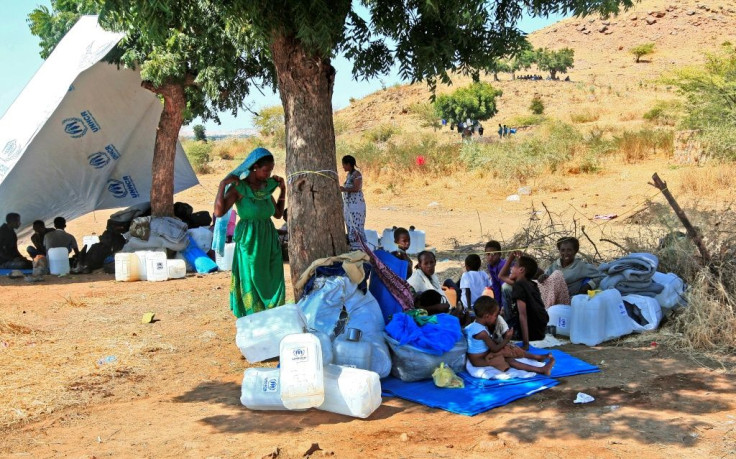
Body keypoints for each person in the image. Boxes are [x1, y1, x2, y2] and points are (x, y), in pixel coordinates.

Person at [213, 147, 286, 318]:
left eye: (271, 170)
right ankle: (252, 313)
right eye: (266, 170)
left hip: (269, 239)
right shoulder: (239, 188)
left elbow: (277, 214)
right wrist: (222, 185)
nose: (269, 174)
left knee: (272, 274)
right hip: (249, 240)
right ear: (255, 167)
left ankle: (272, 311)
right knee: (252, 275)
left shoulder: (267, 188)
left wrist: (282, 190)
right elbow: (219, 212)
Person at [465, 296, 555, 378]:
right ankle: (541, 369)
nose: (496, 318)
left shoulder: (471, 326)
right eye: (495, 316)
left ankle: (537, 358)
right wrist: (507, 339)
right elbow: (494, 349)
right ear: (487, 316)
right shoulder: (482, 332)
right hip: (482, 361)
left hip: (483, 356)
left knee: (509, 348)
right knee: (510, 359)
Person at [499, 252, 549, 350]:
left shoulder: (518, 285)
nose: (511, 269)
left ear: (521, 270)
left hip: (531, 333)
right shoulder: (530, 284)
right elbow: (501, 276)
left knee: (505, 288)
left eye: (514, 266)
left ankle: (511, 328)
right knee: (506, 286)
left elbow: (523, 315)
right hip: (540, 332)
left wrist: (526, 343)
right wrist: (511, 257)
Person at [538, 237, 603, 297]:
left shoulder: (581, 266)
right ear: (559, 251)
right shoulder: (555, 265)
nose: (565, 253)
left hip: (569, 298)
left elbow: (600, 276)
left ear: (575, 251)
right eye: (562, 250)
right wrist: (544, 277)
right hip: (552, 295)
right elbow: (547, 277)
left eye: (569, 250)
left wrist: (588, 285)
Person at [339, 155, 366, 250]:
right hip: (349, 205)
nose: (343, 167)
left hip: (356, 205)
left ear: (349, 164)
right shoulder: (349, 175)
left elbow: (356, 188)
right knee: (349, 224)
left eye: (344, 165)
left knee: (356, 225)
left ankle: (359, 248)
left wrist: (344, 189)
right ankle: (353, 247)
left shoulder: (357, 174)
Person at [484, 240, 506, 305]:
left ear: (499, 254)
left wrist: (503, 306)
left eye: (493, 254)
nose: (490, 257)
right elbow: (496, 286)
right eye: (488, 254)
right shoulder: (490, 266)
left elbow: (504, 287)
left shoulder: (503, 265)